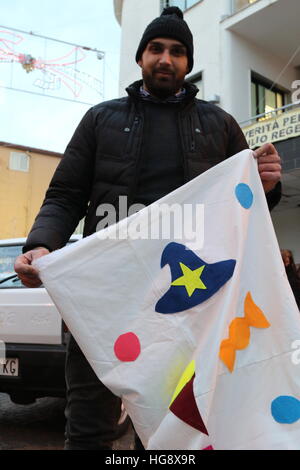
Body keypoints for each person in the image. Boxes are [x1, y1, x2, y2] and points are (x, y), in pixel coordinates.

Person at [14, 7, 282, 450]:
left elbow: (246, 201)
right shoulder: (100, 119)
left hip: (189, 300)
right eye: (156, 49)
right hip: (104, 295)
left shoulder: (220, 126)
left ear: (187, 62)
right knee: (89, 421)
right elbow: (64, 195)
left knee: (173, 426)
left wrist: (268, 184)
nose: (165, 59)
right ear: (140, 58)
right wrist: (43, 245)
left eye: (177, 51)